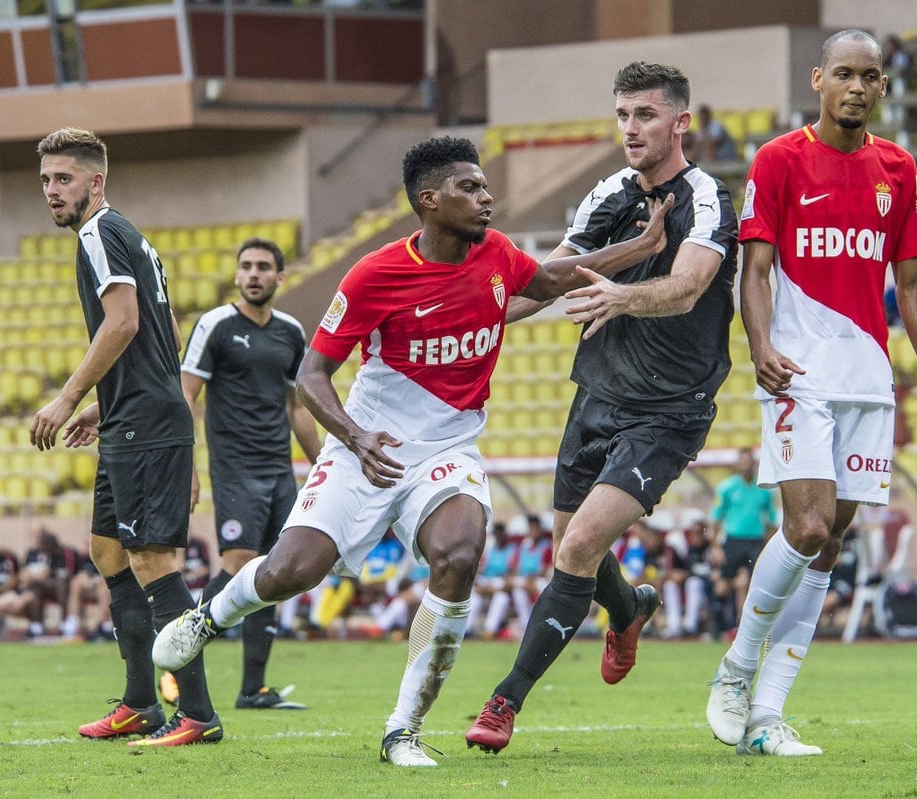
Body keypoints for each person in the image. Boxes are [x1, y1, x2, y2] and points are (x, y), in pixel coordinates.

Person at [152, 134, 675, 767]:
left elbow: (550, 279)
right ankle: (210, 617)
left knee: (459, 554)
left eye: (485, 186)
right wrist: (355, 437)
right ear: (429, 200)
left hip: (448, 448)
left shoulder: (496, 252)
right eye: (469, 188)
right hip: (368, 445)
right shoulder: (375, 274)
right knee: (292, 571)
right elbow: (312, 377)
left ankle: (403, 729)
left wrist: (642, 246)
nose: (486, 197)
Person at [466, 61, 739, 756]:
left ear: (680, 121)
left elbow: (688, 285)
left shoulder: (709, 198)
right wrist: (474, 318)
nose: (630, 129)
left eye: (645, 114)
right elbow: (547, 280)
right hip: (596, 396)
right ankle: (629, 606)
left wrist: (622, 296)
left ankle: (504, 701)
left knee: (580, 545)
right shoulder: (609, 194)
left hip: (668, 410)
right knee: (573, 548)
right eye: (622, 115)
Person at [705, 29, 917, 757]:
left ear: (882, 86)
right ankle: (736, 667)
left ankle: (766, 716)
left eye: (869, 76)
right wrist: (760, 346)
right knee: (810, 527)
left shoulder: (897, 168)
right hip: (798, 370)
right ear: (818, 80)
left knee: (831, 545)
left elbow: (913, 281)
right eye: (843, 73)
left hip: (867, 378)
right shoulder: (779, 159)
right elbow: (755, 271)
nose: (856, 86)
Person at [32, 127, 221, 747]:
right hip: (130, 415)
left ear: (96, 181)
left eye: (64, 179)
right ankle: (141, 703)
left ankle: (197, 713)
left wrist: (68, 398)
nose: (52, 190)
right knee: (108, 553)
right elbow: (166, 328)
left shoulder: (99, 233)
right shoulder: (128, 235)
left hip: (146, 422)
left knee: (153, 561)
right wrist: (105, 404)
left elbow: (124, 321)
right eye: (46, 180)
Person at [179, 236, 322, 710]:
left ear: (279, 276)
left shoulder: (290, 332)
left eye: (263, 266)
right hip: (235, 469)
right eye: (246, 266)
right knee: (238, 563)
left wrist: (324, 467)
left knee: (273, 572)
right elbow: (186, 396)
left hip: (279, 471)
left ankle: (253, 689)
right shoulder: (216, 325)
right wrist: (187, 467)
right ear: (238, 274)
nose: (254, 274)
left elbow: (297, 408)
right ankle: (179, 659)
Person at [709, 448, 777, 632]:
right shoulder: (727, 488)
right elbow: (716, 519)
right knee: (723, 585)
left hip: (755, 541)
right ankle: (717, 623)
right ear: (738, 464)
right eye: (744, 462)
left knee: (750, 584)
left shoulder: (764, 490)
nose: (747, 466)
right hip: (733, 540)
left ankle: (743, 626)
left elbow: (771, 521)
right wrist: (715, 546)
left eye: (749, 462)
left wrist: (769, 545)